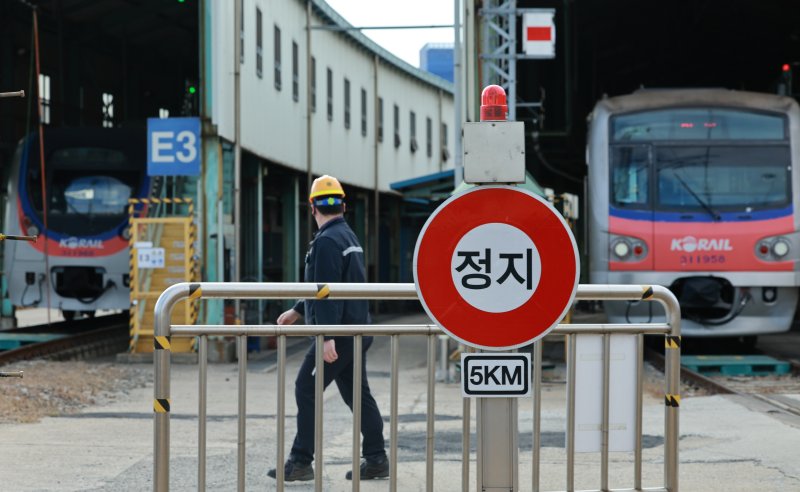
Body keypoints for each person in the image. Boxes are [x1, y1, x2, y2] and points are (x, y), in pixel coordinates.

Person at [268, 175, 389, 482]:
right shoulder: (347, 237)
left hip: (341, 334)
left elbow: (326, 292)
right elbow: (330, 285)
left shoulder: (325, 242)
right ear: (343, 206)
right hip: (357, 330)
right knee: (357, 395)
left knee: (305, 388)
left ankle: (300, 461)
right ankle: (376, 458)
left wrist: (326, 337)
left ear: (312, 207)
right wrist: (298, 310)